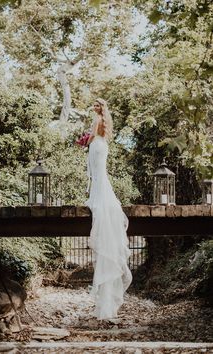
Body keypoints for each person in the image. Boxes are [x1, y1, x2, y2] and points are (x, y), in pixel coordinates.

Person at [85, 98, 132, 320]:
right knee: (100, 175)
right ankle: (98, 195)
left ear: (99, 107)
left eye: (95, 104)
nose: (93, 107)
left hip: (96, 147)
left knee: (98, 175)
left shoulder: (97, 120)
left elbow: (92, 136)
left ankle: (97, 197)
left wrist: (85, 140)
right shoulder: (106, 120)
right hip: (102, 147)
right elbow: (98, 135)